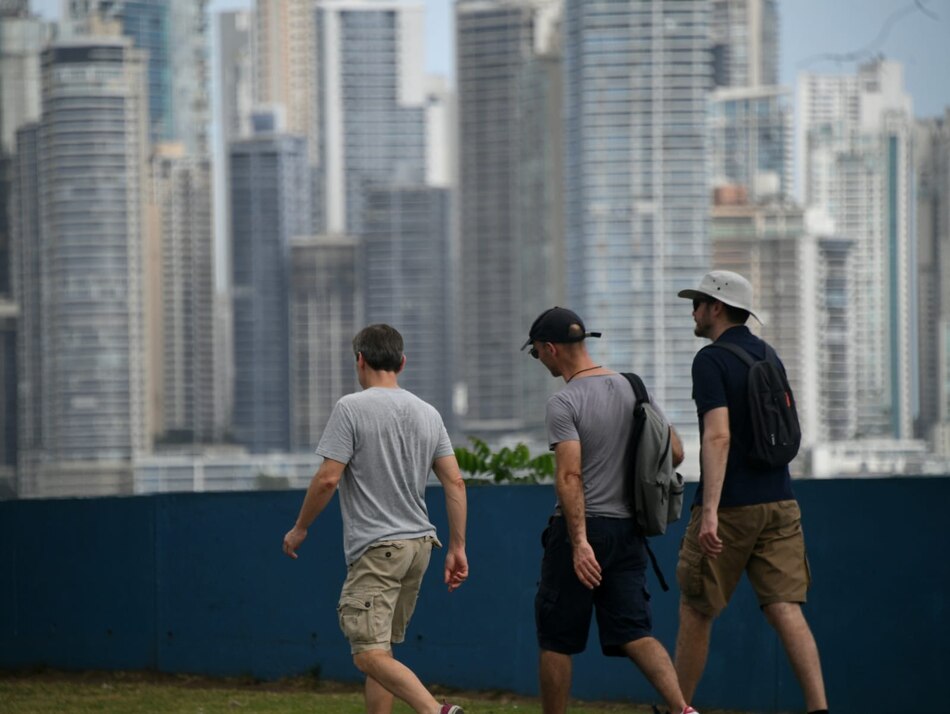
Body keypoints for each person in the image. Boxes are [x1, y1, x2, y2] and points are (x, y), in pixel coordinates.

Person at [283, 324, 469, 714]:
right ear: (402, 362)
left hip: (379, 549)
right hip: (420, 547)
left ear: (360, 360)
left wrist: (300, 528)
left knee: (367, 655)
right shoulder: (428, 412)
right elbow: (455, 480)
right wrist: (457, 547)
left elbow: (328, 478)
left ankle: (437, 711)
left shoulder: (351, 407)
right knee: (382, 651)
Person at [523, 307, 698, 714]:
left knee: (556, 638)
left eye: (536, 354)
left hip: (582, 532)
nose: (539, 361)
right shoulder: (635, 387)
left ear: (550, 349)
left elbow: (569, 476)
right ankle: (682, 709)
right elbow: (674, 451)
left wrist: (580, 543)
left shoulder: (564, 401)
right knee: (635, 631)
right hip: (629, 531)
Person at [674, 271, 829, 714]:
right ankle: (819, 708)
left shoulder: (710, 361)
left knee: (697, 608)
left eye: (698, 302)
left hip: (732, 506)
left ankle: (678, 708)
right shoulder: (768, 354)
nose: (694, 310)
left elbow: (717, 437)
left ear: (716, 308)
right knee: (785, 608)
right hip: (781, 502)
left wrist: (709, 512)